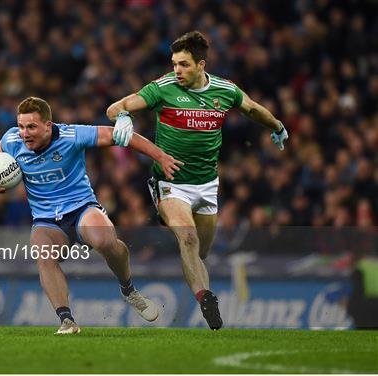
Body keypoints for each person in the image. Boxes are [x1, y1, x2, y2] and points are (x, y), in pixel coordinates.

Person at [106, 31, 289, 330]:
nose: (176, 70)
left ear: (201, 64)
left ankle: (196, 280)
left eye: (184, 65)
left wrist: (277, 125)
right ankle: (206, 298)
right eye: (174, 63)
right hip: (170, 182)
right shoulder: (162, 88)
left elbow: (253, 108)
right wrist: (124, 116)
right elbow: (116, 107)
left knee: (199, 253)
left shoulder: (224, 90)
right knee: (187, 238)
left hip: (207, 185)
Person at [0, 97, 183, 334]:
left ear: (48, 125)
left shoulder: (72, 136)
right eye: (21, 126)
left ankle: (128, 290)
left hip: (81, 208)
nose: (25, 133)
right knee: (43, 255)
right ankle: (66, 320)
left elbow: (124, 136)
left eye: (32, 127)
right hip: (46, 219)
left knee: (105, 241)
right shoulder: (12, 139)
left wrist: (161, 157)